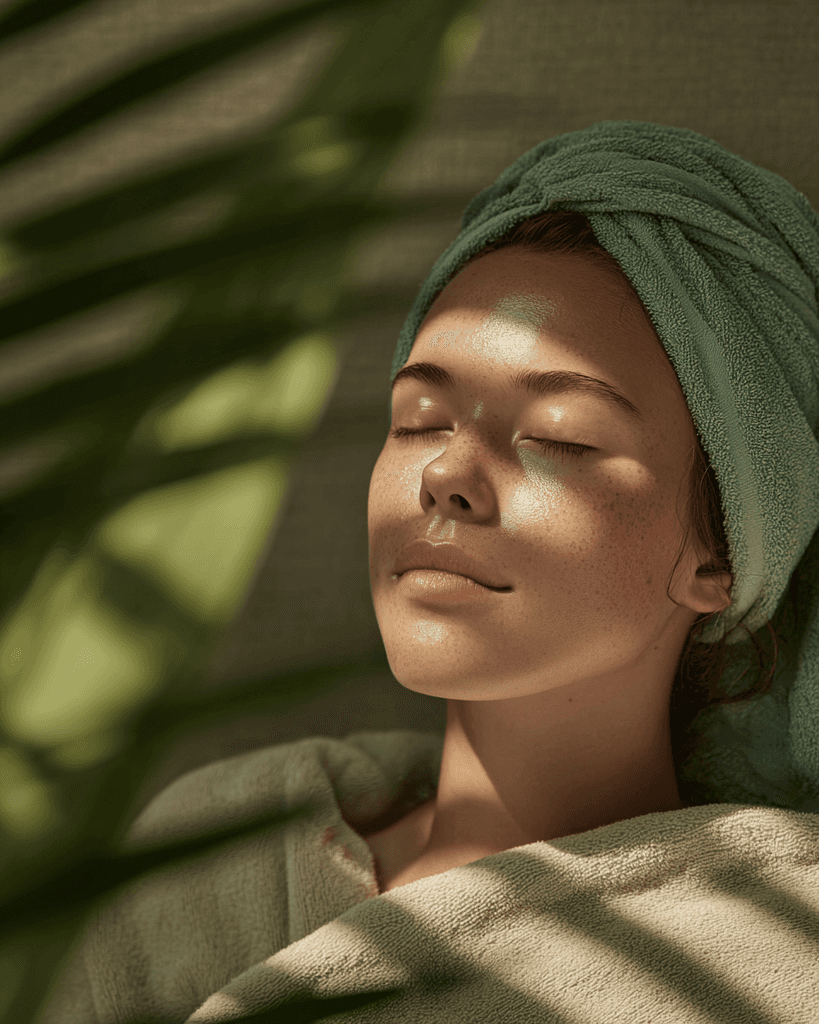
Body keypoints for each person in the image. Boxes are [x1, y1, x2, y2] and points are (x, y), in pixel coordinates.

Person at [364, 245, 732, 892]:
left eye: (560, 436)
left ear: (720, 550)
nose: (443, 474)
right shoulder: (205, 857)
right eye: (419, 422)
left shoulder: (761, 965)